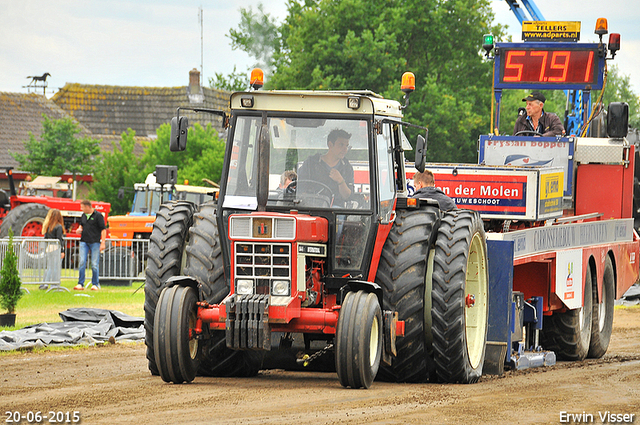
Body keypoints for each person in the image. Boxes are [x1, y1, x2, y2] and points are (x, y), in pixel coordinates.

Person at [297, 129, 354, 207]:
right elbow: (301, 189)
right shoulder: (311, 164)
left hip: (335, 211)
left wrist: (340, 181)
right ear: (330, 145)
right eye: (341, 145)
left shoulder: (347, 168)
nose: (345, 149)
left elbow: (347, 197)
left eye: (346, 146)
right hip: (312, 207)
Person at [74, 200, 106, 291]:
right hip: (84, 241)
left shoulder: (98, 216)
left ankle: (95, 283)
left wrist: (103, 242)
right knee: (82, 262)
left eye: (82, 207)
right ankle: (80, 283)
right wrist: (79, 229)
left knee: (94, 264)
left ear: (88, 206)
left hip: (95, 242)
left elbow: (103, 229)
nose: (81, 209)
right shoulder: (83, 216)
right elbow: (81, 225)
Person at [42, 209, 65, 287]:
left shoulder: (48, 226)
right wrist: (62, 250)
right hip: (56, 247)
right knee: (55, 267)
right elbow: (59, 239)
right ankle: (54, 284)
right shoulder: (58, 226)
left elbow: (45, 238)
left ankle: (45, 283)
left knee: (49, 267)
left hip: (49, 248)